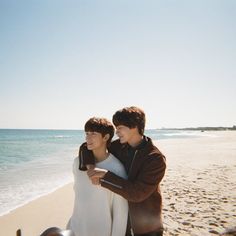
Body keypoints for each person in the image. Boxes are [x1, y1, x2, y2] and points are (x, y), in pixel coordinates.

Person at [79, 106, 166, 236]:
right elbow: (87, 146)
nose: (117, 132)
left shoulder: (154, 158)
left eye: (120, 127)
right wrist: (90, 166)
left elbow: (137, 193)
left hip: (147, 228)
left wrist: (105, 176)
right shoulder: (118, 146)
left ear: (135, 126)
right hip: (123, 222)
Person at [67, 117, 128, 236]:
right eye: (87, 133)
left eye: (93, 134)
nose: (88, 138)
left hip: (102, 231)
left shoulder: (117, 168)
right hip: (76, 229)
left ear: (105, 137)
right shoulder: (77, 163)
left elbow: (120, 213)